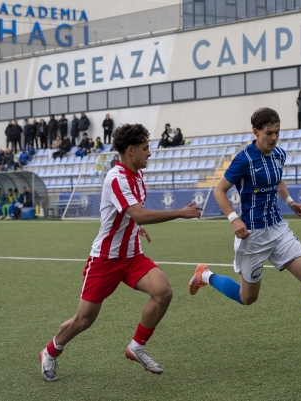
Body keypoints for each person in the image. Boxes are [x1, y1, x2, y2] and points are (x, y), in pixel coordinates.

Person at [188, 107, 301, 356]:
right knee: (247, 298)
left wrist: (290, 202)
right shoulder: (244, 159)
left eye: (277, 132)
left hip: (278, 230)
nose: (274, 137)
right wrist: (234, 219)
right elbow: (219, 191)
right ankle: (205, 276)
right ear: (256, 132)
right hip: (252, 236)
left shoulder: (278, 153)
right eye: (269, 133)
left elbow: (277, 179)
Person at [38, 123, 203, 381]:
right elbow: (138, 214)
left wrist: (136, 228)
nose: (149, 153)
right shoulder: (117, 178)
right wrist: (180, 213)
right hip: (105, 259)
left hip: (132, 256)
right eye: (145, 148)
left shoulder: (137, 175)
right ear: (130, 150)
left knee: (163, 292)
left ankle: (136, 346)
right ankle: (49, 352)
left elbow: (129, 216)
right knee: (84, 320)